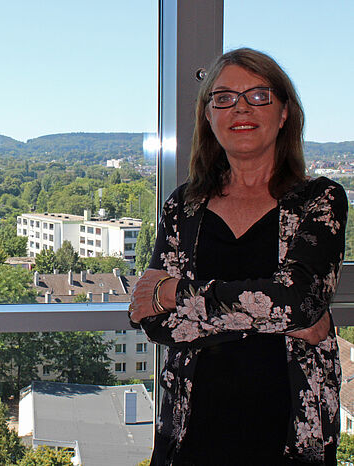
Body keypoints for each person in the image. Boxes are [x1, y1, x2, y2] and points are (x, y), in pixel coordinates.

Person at [130, 48, 346, 465]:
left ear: (284, 113)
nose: (241, 108)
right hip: (193, 426)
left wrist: (177, 294)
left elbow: (297, 301)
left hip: (288, 427)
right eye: (224, 97)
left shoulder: (319, 200)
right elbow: (149, 316)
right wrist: (277, 316)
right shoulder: (185, 206)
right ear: (208, 116)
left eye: (258, 95)